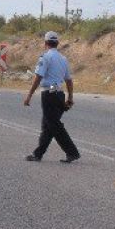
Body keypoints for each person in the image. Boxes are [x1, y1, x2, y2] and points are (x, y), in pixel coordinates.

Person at [23, 31, 81, 163]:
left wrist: (29, 95)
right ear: (58, 43)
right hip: (60, 94)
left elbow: (38, 77)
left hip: (49, 95)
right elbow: (69, 80)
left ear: (45, 43)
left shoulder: (45, 58)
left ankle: (72, 152)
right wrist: (70, 97)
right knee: (47, 126)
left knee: (54, 125)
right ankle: (38, 154)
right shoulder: (63, 59)